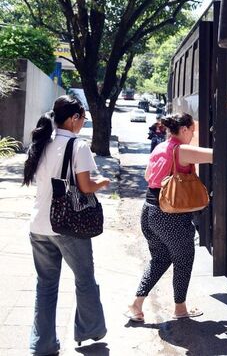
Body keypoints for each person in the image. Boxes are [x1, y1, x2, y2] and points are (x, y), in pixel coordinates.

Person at [23, 95, 109, 355]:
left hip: (38, 226)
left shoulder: (41, 144)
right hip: (67, 226)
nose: (82, 123)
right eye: (82, 118)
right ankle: (89, 329)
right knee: (84, 278)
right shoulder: (78, 146)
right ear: (73, 119)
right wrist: (102, 183)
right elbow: (85, 186)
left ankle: (42, 344)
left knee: (45, 286)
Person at [127, 113, 213, 321]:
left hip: (149, 210)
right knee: (183, 258)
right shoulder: (180, 150)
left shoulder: (160, 147)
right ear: (183, 130)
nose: (193, 134)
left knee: (161, 258)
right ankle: (180, 309)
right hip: (169, 215)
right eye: (192, 130)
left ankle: (136, 303)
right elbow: (216, 155)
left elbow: (148, 176)